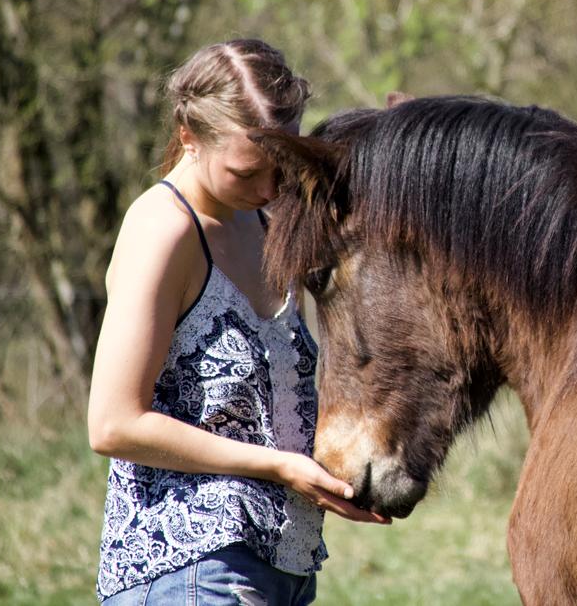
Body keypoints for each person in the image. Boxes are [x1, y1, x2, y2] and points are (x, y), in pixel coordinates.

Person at [88, 39, 388, 605]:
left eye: (281, 169)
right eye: (247, 172)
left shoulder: (269, 222)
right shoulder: (164, 230)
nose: (269, 189)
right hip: (193, 566)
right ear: (189, 139)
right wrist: (278, 466)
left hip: (286, 567)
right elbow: (112, 423)